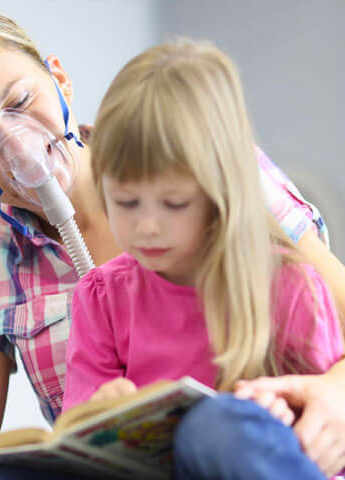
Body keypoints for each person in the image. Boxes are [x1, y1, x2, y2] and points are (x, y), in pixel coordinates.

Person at [0, 4, 345, 480]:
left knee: (216, 433)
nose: (16, 144)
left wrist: (336, 393)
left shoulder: (205, 166)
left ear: (58, 78)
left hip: (236, 449)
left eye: (19, 102)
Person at [62, 38, 343, 480]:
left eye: (173, 203)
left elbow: (324, 440)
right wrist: (98, 414)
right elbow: (74, 437)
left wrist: (280, 415)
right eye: (126, 202)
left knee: (217, 428)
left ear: (221, 193)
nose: (147, 226)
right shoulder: (100, 297)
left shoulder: (289, 288)